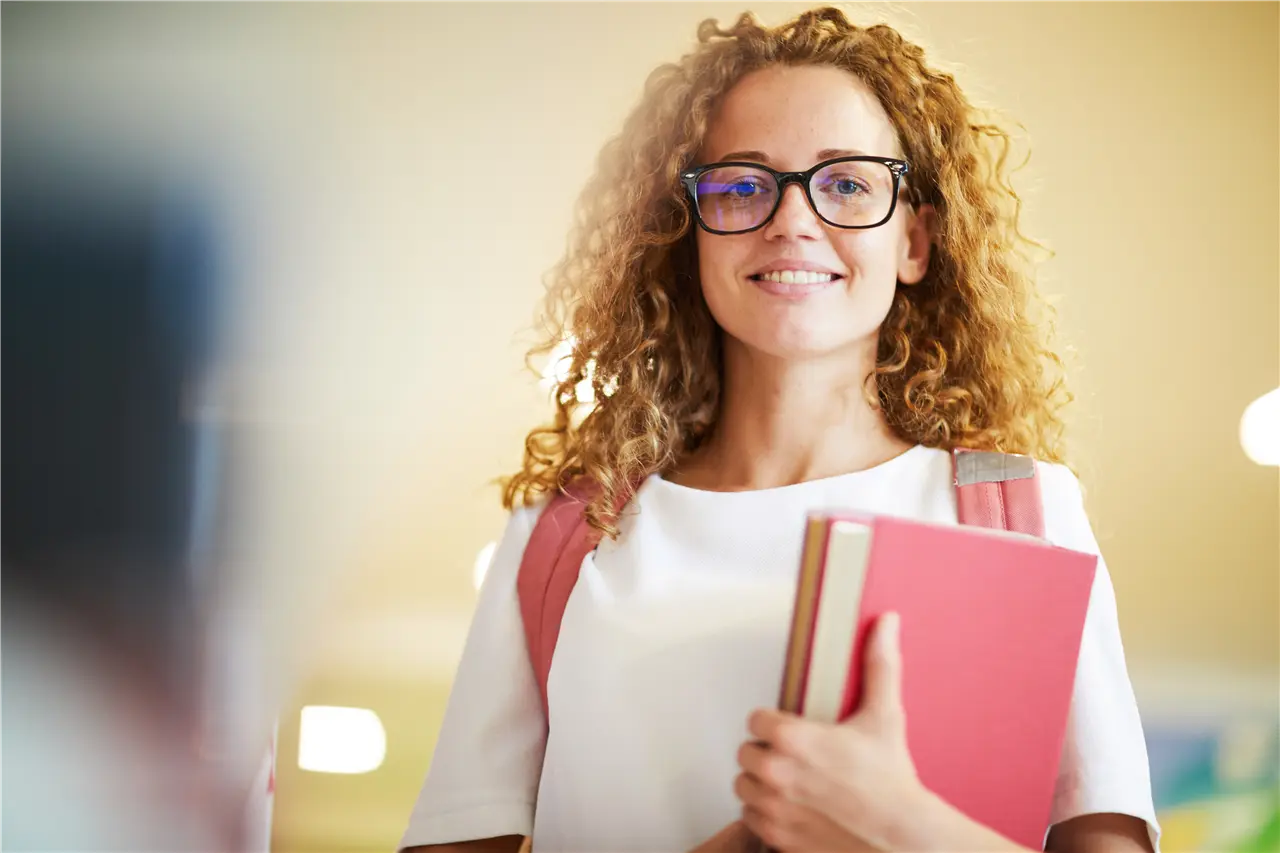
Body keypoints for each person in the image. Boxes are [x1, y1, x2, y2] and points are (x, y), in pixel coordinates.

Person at [401, 6, 1159, 852]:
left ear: (915, 240)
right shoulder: (565, 532)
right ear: (688, 231)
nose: (792, 220)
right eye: (741, 184)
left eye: (846, 183)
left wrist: (897, 825)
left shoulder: (1022, 511)